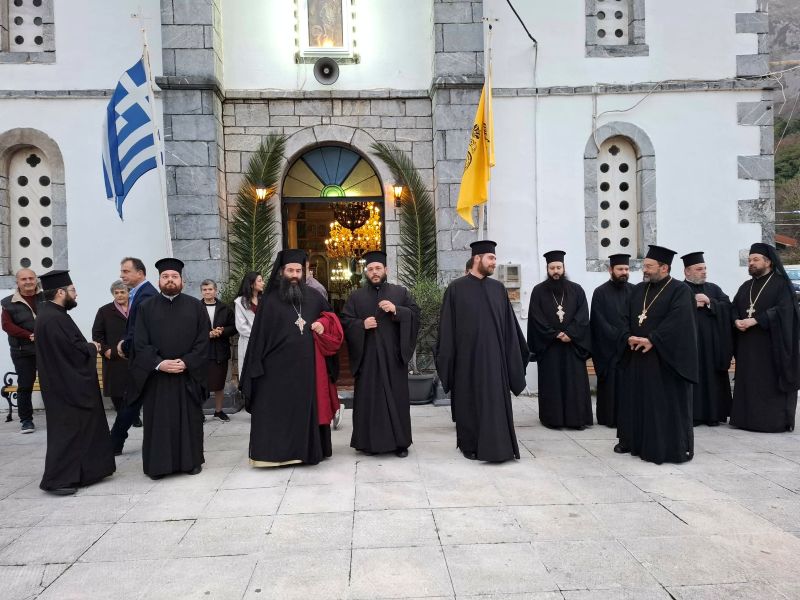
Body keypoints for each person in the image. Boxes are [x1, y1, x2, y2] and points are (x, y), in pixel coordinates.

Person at [240, 249, 342, 466]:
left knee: (306, 412)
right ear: (281, 272)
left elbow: (331, 318)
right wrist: (256, 368)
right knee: (277, 413)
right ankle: (278, 455)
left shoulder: (315, 296)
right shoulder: (269, 301)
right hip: (275, 372)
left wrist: (322, 324)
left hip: (308, 370)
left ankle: (308, 452)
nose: (295, 275)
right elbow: (258, 338)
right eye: (290, 270)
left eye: (298, 270)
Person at [436, 240, 529, 462]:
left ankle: (500, 445)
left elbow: (510, 328)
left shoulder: (498, 289)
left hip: (496, 361)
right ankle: (469, 445)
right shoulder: (456, 289)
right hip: (466, 361)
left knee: (496, 404)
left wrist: (513, 358)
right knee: (469, 402)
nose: (494, 262)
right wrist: (448, 359)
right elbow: (447, 328)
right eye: (491, 258)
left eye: (495, 258)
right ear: (477, 258)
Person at [34, 270, 115, 495]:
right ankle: (59, 480)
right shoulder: (53, 318)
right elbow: (72, 352)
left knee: (79, 430)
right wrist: (92, 347)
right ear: (60, 292)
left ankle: (87, 472)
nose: (76, 294)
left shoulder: (51, 314)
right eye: (72, 290)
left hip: (63, 384)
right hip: (66, 387)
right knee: (67, 434)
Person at [615, 245, 697, 464]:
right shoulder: (638, 290)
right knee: (636, 402)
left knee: (661, 405)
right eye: (644, 266)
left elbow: (680, 323)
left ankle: (663, 447)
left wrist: (653, 339)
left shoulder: (680, 291)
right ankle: (633, 441)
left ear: (664, 268)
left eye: (649, 266)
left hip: (664, 362)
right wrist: (627, 336)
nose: (645, 270)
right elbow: (623, 317)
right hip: (637, 358)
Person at [129, 258, 209, 479]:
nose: (170, 280)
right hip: (158, 378)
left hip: (187, 375)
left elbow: (203, 341)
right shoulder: (145, 308)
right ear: (159, 280)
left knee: (189, 421)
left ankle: (191, 462)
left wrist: (187, 361)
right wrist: (159, 363)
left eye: (174, 276)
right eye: (165, 277)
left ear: (182, 280)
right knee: (159, 423)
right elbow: (139, 343)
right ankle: (159, 466)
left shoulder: (196, 307)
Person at [341, 250, 420, 457]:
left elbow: (414, 315)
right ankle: (369, 443)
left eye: (378, 268)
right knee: (370, 400)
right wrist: (361, 324)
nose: (374, 272)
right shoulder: (356, 297)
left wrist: (397, 310)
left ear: (386, 270)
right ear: (365, 272)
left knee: (396, 398)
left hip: (394, 357)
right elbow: (345, 322)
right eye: (370, 269)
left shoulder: (400, 293)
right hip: (368, 359)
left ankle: (400, 443)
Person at [730, 243, 800, 432]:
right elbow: (733, 307)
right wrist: (736, 320)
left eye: (755, 260)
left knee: (767, 382)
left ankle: (771, 422)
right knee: (749, 381)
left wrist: (756, 320)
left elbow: (785, 310)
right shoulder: (746, 286)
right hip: (747, 345)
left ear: (768, 262)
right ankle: (746, 420)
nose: (751, 263)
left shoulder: (781, 284)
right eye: (749, 260)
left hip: (772, 346)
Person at [527, 250, 593, 430]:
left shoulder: (576, 290)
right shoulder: (538, 291)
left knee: (574, 384)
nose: (555, 271)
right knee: (552, 384)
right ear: (547, 269)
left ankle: (576, 419)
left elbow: (583, 315)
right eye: (552, 268)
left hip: (572, 346)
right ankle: (553, 419)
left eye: (558, 267)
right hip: (550, 348)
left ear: (564, 268)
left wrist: (570, 333)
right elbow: (536, 317)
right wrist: (554, 334)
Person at [109, 257, 157, 454]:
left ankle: (114, 443)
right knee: (131, 402)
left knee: (131, 402)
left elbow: (141, 330)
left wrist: (125, 345)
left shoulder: (147, 295)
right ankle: (114, 443)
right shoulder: (138, 293)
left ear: (140, 273)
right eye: (122, 271)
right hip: (141, 358)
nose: (121, 275)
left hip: (143, 359)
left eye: (126, 271)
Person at [681, 252, 734, 426]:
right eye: (699, 269)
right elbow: (670, 312)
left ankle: (713, 415)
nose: (704, 272)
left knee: (712, 378)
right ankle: (693, 415)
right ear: (687, 271)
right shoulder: (679, 289)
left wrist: (710, 302)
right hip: (689, 346)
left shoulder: (714, 289)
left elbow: (728, 308)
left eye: (704, 268)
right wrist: (691, 304)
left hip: (712, 347)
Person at [590, 253, 634, 427]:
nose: (624, 272)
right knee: (610, 386)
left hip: (630, 348)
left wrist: (629, 337)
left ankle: (629, 419)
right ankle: (608, 418)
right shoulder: (600, 292)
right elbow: (598, 321)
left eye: (626, 269)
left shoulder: (635, 291)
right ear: (610, 270)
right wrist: (620, 337)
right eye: (620, 269)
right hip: (608, 350)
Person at [1, 268, 44, 433]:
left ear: (36, 280)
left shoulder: (46, 297)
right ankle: (26, 420)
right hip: (22, 351)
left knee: (51, 383)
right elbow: (7, 325)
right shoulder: (8, 302)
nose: (28, 282)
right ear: (17, 282)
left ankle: (58, 417)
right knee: (25, 385)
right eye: (24, 279)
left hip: (46, 348)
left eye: (31, 278)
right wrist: (29, 335)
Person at [200, 279, 236, 422]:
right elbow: (190, 329)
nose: (207, 292)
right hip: (202, 352)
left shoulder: (225, 308)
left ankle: (218, 411)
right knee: (201, 384)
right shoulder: (195, 307)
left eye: (210, 289)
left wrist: (222, 331)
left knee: (219, 384)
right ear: (201, 292)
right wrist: (207, 334)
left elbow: (234, 327)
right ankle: (199, 412)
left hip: (220, 351)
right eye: (204, 290)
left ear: (215, 290)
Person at [91, 280, 130, 413]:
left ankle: (133, 417)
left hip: (133, 357)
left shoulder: (137, 309)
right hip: (114, 358)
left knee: (134, 389)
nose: (119, 295)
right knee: (117, 392)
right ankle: (123, 416)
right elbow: (97, 335)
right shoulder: (104, 311)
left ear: (129, 293)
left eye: (122, 292)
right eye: (116, 293)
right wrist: (106, 351)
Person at [234, 271, 264, 376]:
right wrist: (258, 335)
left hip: (264, 342)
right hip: (248, 342)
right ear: (251, 284)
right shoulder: (240, 302)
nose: (263, 283)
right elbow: (241, 326)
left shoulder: (264, 300)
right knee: (248, 372)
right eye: (260, 281)